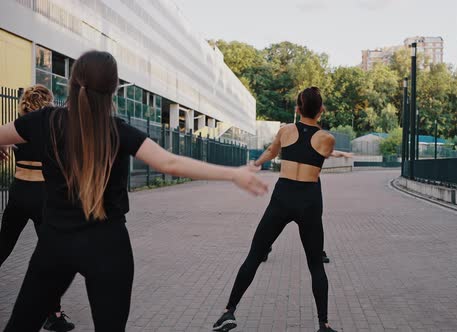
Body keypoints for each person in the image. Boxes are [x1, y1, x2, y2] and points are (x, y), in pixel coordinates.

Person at [0, 50, 268, 332]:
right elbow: (170, 163)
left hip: (55, 244)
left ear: (73, 82)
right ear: (114, 89)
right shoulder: (118, 130)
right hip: (108, 246)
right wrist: (233, 174)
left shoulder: (45, 120)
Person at [213, 87, 350, 332]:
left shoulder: (285, 131)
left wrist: (254, 164)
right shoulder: (327, 138)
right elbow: (325, 154)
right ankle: (323, 324)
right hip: (309, 200)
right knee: (315, 264)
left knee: (255, 255)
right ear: (321, 110)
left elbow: (271, 152)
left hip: (283, 197)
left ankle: (229, 311)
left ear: (297, 109)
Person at [0, 85, 75, 332]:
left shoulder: (19, 126)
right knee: (51, 255)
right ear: (49, 101)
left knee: (4, 244)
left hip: (19, 194)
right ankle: (53, 315)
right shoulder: (54, 127)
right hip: (44, 198)